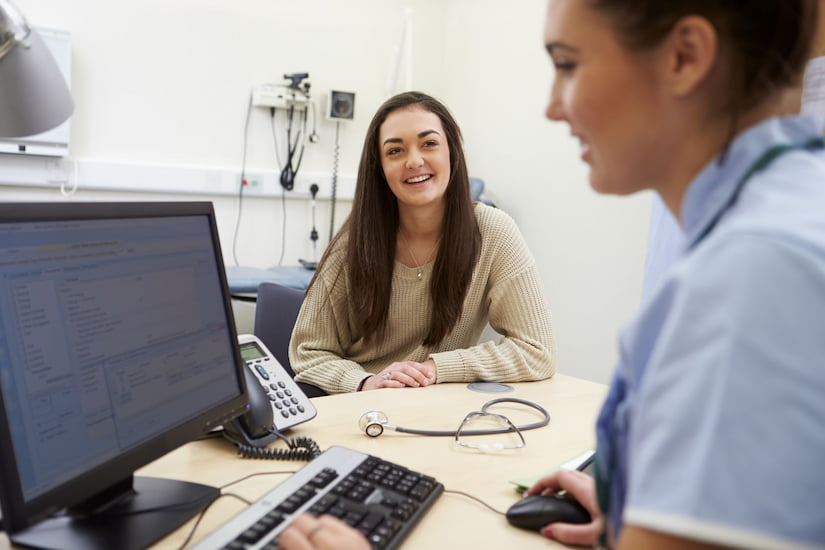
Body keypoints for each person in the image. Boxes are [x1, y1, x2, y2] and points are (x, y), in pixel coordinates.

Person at [281, 1, 825, 548]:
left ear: (685, 57)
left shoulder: (754, 275)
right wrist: (628, 517)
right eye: (395, 151)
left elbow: (539, 352)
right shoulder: (754, 237)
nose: (551, 108)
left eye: (567, 64)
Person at [289, 91, 556, 394]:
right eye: (395, 151)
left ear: (452, 152)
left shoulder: (493, 232)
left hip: (441, 408)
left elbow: (537, 350)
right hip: (364, 409)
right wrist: (365, 382)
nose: (414, 161)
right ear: (380, 168)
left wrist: (435, 368)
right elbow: (308, 352)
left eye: (429, 144)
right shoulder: (353, 244)